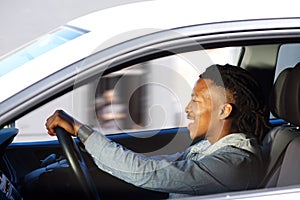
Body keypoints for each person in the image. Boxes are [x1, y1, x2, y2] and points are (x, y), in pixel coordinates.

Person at [45, 64, 270, 198]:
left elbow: (150, 173)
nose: (187, 109)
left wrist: (80, 130)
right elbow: (149, 164)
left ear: (224, 111)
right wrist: (88, 154)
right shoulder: (208, 148)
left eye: (196, 101)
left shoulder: (235, 163)